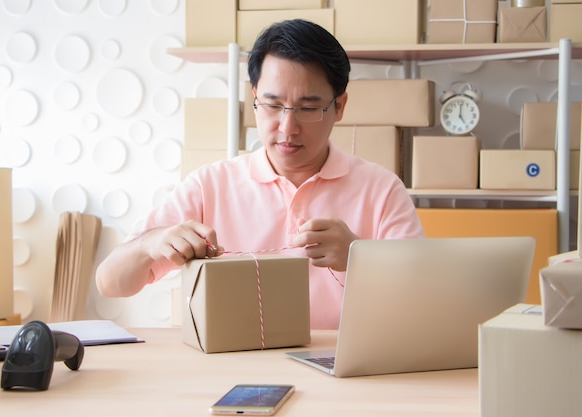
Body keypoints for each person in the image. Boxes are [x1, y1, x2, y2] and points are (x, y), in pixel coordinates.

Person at [96, 19, 424, 329]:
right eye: (272, 105)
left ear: (340, 106)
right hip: (235, 366)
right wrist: (150, 244)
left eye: (308, 108)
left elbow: (424, 302)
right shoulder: (209, 186)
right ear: (254, 98)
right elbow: (110, 283)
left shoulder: (381, 190)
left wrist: (359, 256)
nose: (287, 127)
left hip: (345, 368)